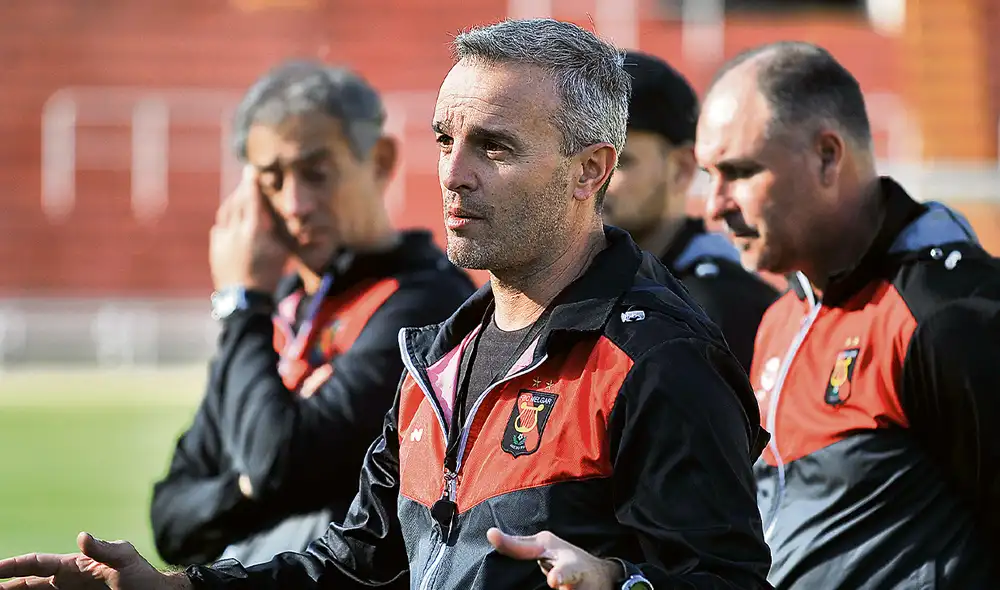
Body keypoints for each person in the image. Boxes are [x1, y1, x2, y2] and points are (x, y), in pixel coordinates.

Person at [0, 19, 772, 590]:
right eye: (445, 140)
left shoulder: (658, 358)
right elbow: (357, 567)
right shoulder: (435, 356)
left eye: (494, 147)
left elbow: (727, 581)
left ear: (589, 170)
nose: (454, 174)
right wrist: (175, 588)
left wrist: (617, 584)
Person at [696, 41, 1000, 589]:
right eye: (707, 175)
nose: (714, 204)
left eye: (738, 171)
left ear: (828, 156)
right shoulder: (781, 318)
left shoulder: (944, 314)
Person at [149, 60, 475, 568]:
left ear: (381, 160)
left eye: (316, 174)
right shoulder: (276, 312)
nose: (295, 204)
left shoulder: (427, 304)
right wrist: (251, 487)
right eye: (272, 181)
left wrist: (239, 306)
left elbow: (281, 464)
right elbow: (171, 521)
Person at [605, 50, 779, 371]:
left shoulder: (726, 304)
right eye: (581, 160)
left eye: (620, 161)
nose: (594, 179)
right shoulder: (569, 285)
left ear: (682, 168)